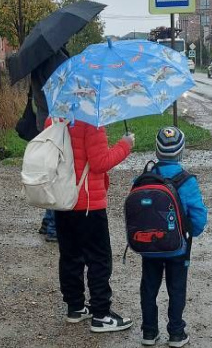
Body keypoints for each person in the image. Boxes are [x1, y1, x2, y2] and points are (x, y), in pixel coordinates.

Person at [53, 117, 135, 331]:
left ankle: (75, 307)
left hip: (62, 199)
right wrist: (125, 145)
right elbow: (99, 163)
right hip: (89, 202)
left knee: (70, 255)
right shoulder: (91, 122)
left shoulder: (54, 119)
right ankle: (101, 314)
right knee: (99, 258)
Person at [138, 127, 208, 348]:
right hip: (178, 246)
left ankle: (149, 331)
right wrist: (190, 234)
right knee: (176, 287)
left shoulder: (144, 178)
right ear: (181, 152)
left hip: (149, 245)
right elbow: (198, 216)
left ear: (157, 151)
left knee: (149, 286)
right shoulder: (186, 181)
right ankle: (176, 333)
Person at [17, 48, 71, 242]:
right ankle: (53, 226)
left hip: (43, 118)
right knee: (58, 173)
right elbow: (65, 90)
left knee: (50, 169)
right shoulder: (57, 59)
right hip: (56, 120)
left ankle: (48, 222)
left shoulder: (37, 58)